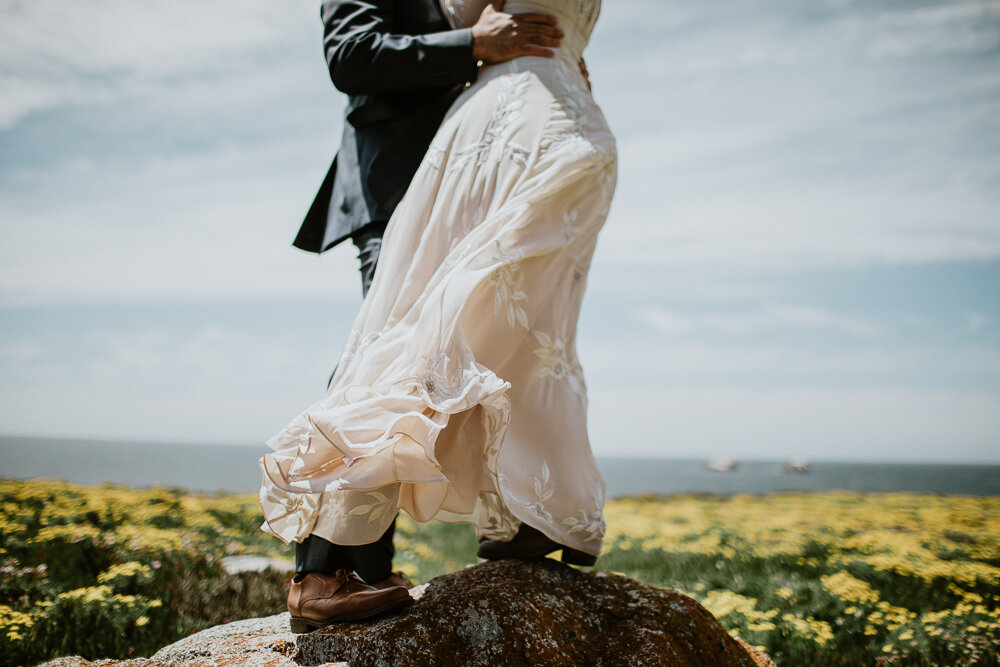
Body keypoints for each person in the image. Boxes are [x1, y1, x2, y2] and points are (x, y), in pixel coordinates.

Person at [261, 0, 615, 633]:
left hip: (501, 152)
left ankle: (521, 510)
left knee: (513, 331)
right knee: (398, 343)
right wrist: (473, 43)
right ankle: (325, 570)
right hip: (398, 181)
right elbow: (352, 56)